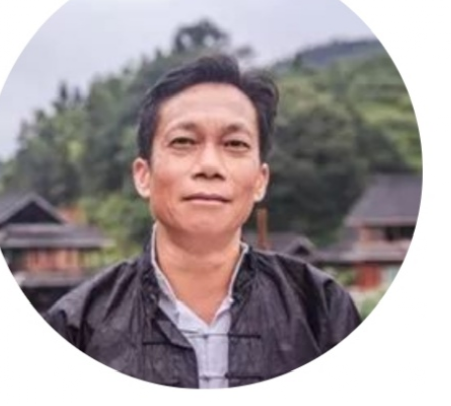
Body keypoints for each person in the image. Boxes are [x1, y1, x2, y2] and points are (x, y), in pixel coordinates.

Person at [44, 54, 361, 389]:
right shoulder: (77, 325)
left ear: (260, 180)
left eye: (235, 144)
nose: (209, 165)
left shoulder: (321, 310)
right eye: (183, 141)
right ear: (143, 175)